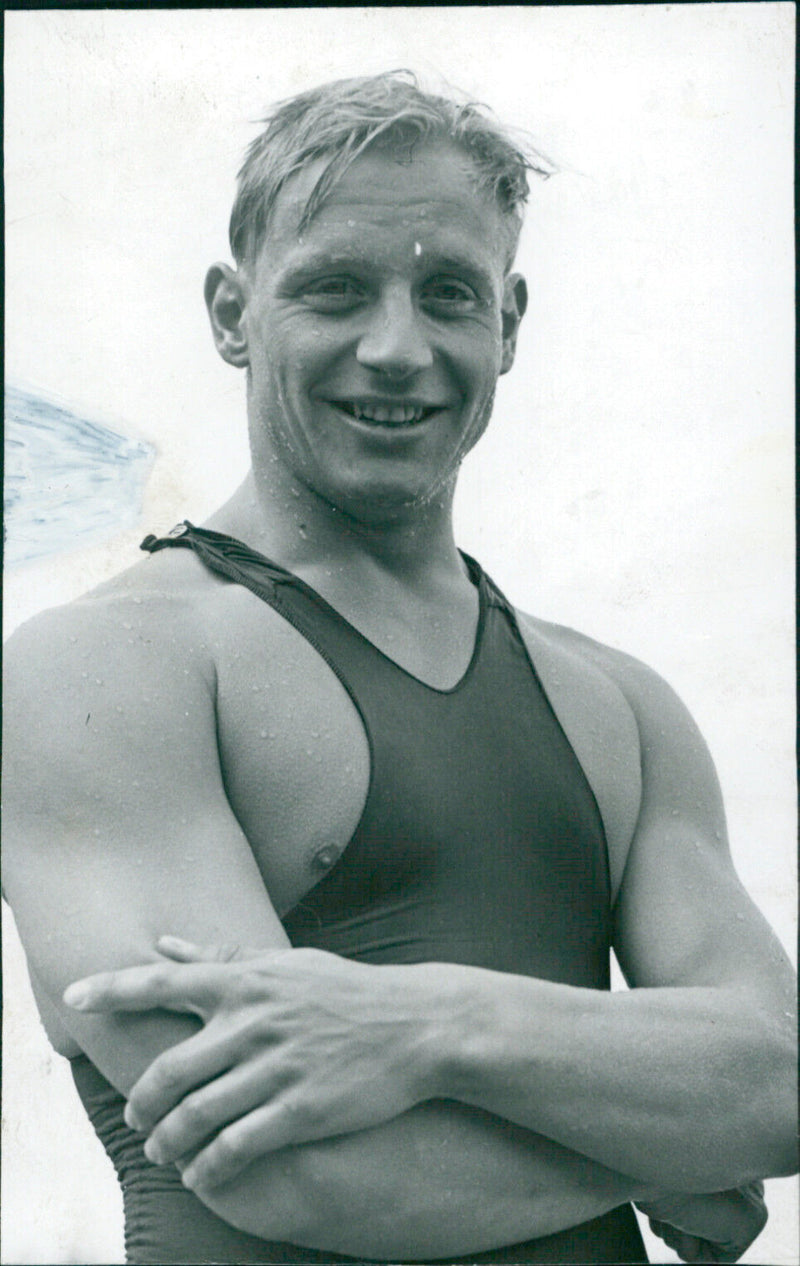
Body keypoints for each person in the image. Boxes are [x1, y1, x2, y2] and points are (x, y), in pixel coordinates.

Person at [3, 72, 796, 1266]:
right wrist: (667, 1146)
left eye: (446, 295)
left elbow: (778, 1077)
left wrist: (432, 1022)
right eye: (333, 290)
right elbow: (298, 1167)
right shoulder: (98, 670)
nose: (395, 348)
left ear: (508, 326)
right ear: (232, 313)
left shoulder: (618, 706)